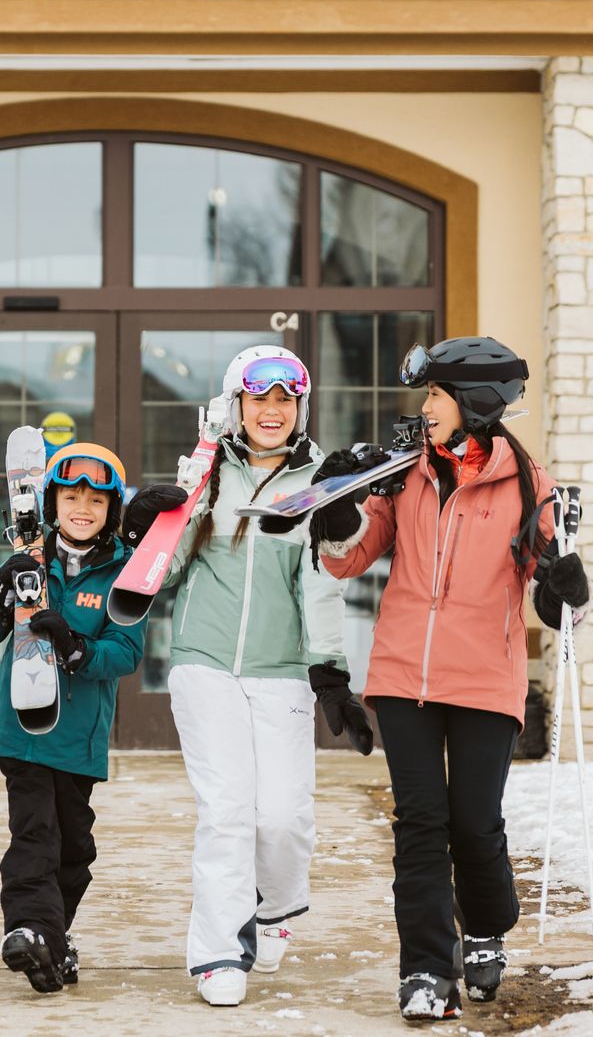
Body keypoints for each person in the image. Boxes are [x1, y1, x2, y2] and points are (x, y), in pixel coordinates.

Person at [313, 337, 589, 1023]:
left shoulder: (530, 485)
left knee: (475, 824)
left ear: (475, 403)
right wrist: (340, 509)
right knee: (420, 824)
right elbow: (346, 561)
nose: (424, 408)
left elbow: (560, 605)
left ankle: (488, 925)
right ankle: (427, 971)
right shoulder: (404, 473)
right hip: (403, 675)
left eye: (434, 395)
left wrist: (564, 587)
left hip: (484, 681)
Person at [161, 345, 373, 1008]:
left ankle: (276, 908)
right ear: (236, 406)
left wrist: (332, 674)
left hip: (281, 669)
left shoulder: (315, 484)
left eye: (287, 399)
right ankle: (218, 951)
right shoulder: (204, 474)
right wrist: (158, 520)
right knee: (227, 811)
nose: (273, 410)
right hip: (203, 662)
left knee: (281, 817)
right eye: (260, 399)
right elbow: (160, 576)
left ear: (300, 408)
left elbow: (328, 580)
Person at [0, 442, 178, 994]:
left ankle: (52, 946)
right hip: (22, 732)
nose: (82, 507)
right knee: (33, 837)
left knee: (74, 850)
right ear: (51, 502)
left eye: (96, 500)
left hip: (79, 739)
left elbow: (126, 653)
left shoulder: (121, 575)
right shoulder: (28, 563)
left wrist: (76, 647)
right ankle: (29, 930)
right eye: (70, 496)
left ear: (112, 511)